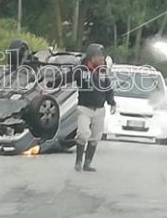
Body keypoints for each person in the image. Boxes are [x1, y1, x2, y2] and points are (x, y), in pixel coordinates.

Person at [48, 43, 116, 172]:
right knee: (83, 134)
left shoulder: (102, 71)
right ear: (92, 57)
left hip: (100, 109)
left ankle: (88, 163)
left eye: (102, 57)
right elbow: (67, 78)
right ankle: (78, 161)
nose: (102, 60)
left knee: (96, 137)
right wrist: (50, 84)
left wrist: (112, 102)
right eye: (99, 57)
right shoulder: (81, 70)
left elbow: (108, 89)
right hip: (84, 108)